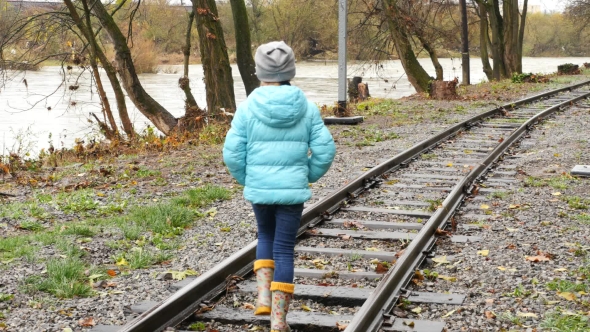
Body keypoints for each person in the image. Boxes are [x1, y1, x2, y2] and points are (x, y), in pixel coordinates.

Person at [223, 41, 336, 332]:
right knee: (284, 248)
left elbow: (232, 153)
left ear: (259, 72)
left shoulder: (247, 107)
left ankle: (263, 298)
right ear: (291, 71)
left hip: (260, 189)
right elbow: (326, 150)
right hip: (291, 191)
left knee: (265, 236)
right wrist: (306, 175)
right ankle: (278, 320)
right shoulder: (307, 107)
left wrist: (249, 179)